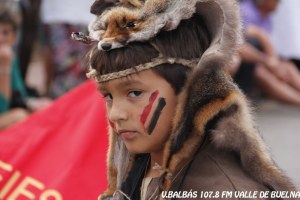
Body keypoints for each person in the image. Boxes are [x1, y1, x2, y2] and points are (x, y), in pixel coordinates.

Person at [84, 0, 297, 199]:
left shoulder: (223, 190)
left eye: (134, 93)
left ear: (190, 92)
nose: (115, 114)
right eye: (108, 96)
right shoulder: (141, 161)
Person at [0, 1, 51, 130]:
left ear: (14, 36)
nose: (0, 38)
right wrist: (4, 68)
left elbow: (19, 94)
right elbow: (2, 107)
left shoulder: (11, 57)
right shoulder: (6, 59)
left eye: (5, 33)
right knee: (20, 116)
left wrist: (32, 102)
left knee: (46, 107)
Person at [237, 0, 300, 105]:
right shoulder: (245, 10)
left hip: (259, 60)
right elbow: (240, 45)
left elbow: (267, 44)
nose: (280, 3)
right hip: (245, 64)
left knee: (288, 67)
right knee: (261, 73)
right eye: (277, 1)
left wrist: (275, 64)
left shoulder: (267, 17)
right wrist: (267, 60)